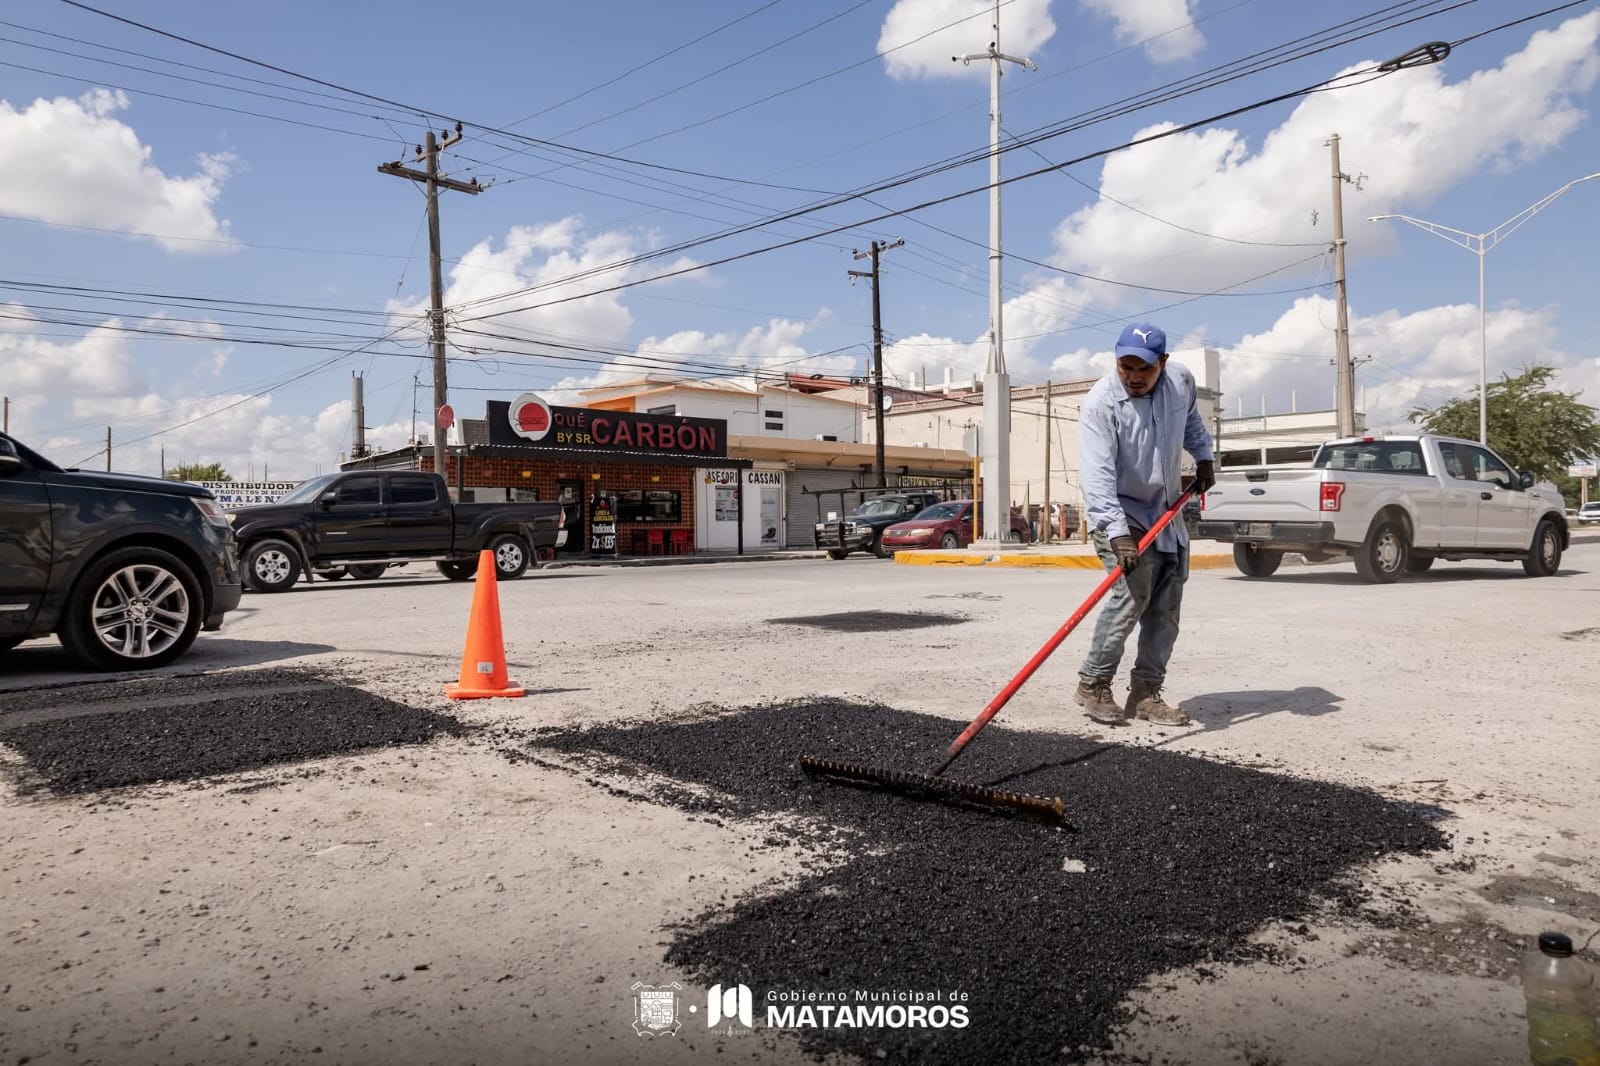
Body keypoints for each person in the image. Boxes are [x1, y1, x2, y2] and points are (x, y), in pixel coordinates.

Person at [1074, 323, 1215, 727]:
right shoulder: (1101, 404)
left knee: (1166, 606)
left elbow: (1189, 419)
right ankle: (1093, 683)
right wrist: (1117, 533)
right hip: (1120, 513)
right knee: (1132, 594)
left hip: (1166, 512)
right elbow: (1097, 476)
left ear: (1163, 363)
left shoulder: (1181, 381)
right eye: (1125, 367)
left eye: (1144, 369)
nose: (1133, 377)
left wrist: (1202, 455)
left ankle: (1145, 693)